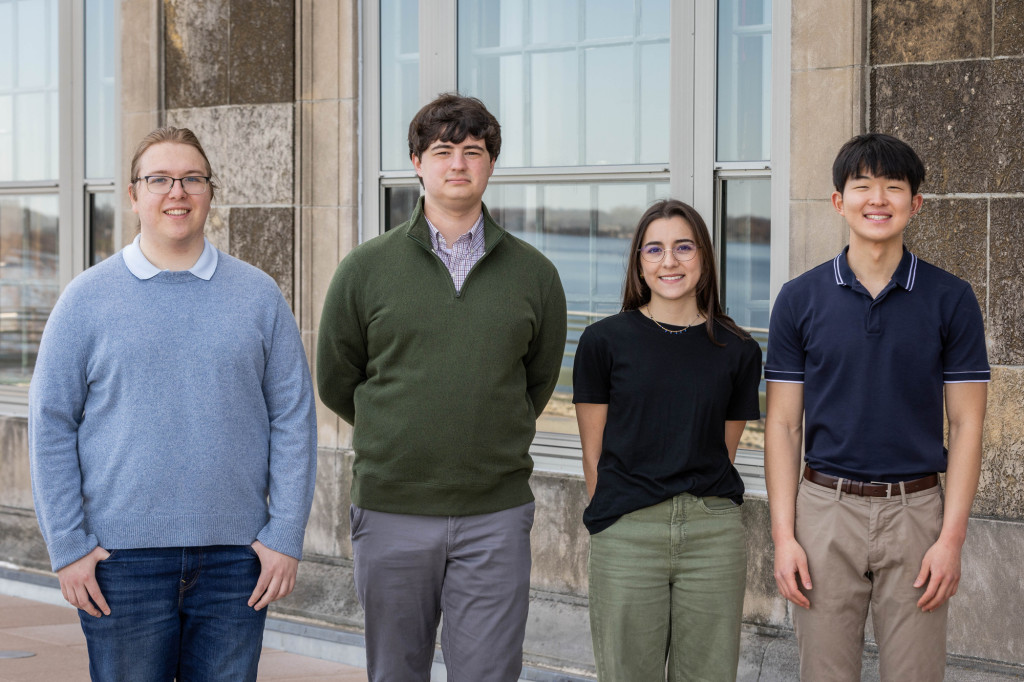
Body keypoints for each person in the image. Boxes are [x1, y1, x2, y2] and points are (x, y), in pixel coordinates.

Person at [29, 127, 318, 681]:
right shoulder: (85, 300)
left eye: (191, 178)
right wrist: (67, 546)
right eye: (158, 179)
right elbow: (50, 425)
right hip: (119, 563)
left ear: (210, 192)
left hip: (237, 561)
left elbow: (294, 418)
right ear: (133, 195)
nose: (176, 192)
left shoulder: (258, 296)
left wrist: (284, 535)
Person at [316, 93, 567, 681]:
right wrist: (399, 428)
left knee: (489, 673)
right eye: (443, 150)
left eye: (473, 151)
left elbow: (536, 383)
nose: (458, 163)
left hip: (495, 515)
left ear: (490, 166)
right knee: (396, 671)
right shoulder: (365, 268)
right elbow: (335, 379)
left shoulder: (535, 275)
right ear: (416, 163)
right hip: (391, 510)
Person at [764, 133, 989, 681]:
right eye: (862, 186)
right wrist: (784, 535)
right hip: (824, 509)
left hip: (916, 514)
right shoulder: (799, 298)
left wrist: (951, 539)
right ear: (839, 201)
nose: (877, 199)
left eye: (893, 187)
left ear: (916, 204)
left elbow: (966, 424)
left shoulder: (951, 298)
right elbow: (784, 424)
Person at [573, 199, 763, 681]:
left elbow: (723, 449)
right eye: (653, 249)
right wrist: (613, 520)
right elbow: (592, 454)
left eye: (683, 247)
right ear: (639, 261)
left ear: (703, 256)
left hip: (712, 533)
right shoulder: (603, 342)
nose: (669, 261)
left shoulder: (739, 350)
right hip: (628, 531)